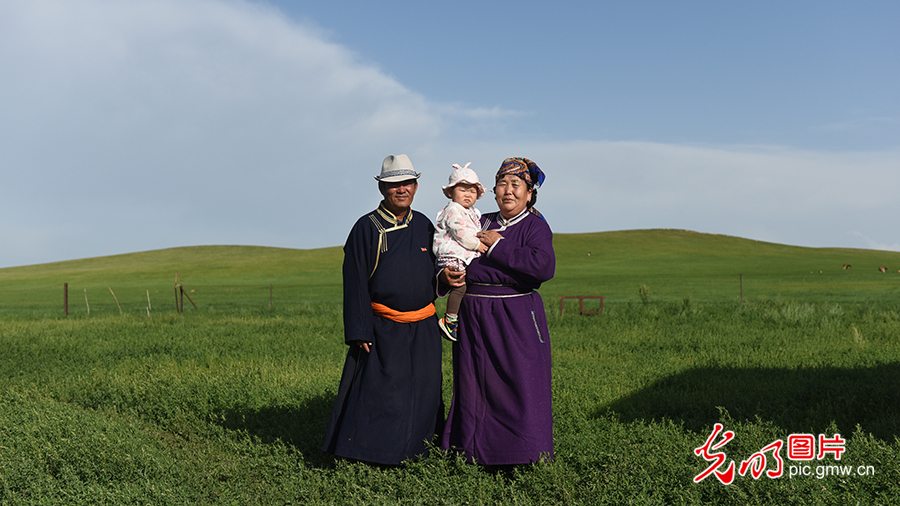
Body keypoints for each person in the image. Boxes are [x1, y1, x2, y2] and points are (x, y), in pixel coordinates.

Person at [322, 154, 444, 466]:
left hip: (424, 324)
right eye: (393, 184)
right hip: (383, 326)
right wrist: (359, 329)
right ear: (382, 189)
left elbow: (437, 271)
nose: (401, 189)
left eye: (406, 183)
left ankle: (422, 452)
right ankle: (371, 454)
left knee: (425, 389)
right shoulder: (366, 228)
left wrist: (449, 279)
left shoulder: (426, 225)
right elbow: (355, 281)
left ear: (416, 186)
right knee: (383, 392)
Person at [440, 157, 555, 466]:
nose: (508, 191)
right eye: (502, 184)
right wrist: (444, 276)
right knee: (474, 384)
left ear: (529, 193)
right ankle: (471, 453)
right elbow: (451, 246)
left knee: (520, 385)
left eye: (515, 185)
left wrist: (497, 248)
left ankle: (525, 455)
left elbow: (542, 267)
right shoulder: (479, 220)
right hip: (474, 316)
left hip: (515, 317)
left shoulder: (535, 226)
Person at [432, 162, 488, 341]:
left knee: (463, 285)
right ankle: (450, 319)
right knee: (460, 286)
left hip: (458, 254)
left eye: (472, 191)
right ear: (450, 192)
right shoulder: (453, 210)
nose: (468, 194)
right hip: (450, 254)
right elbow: (460, 232)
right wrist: (477, 245)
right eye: (462, 190)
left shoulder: (470, 211)